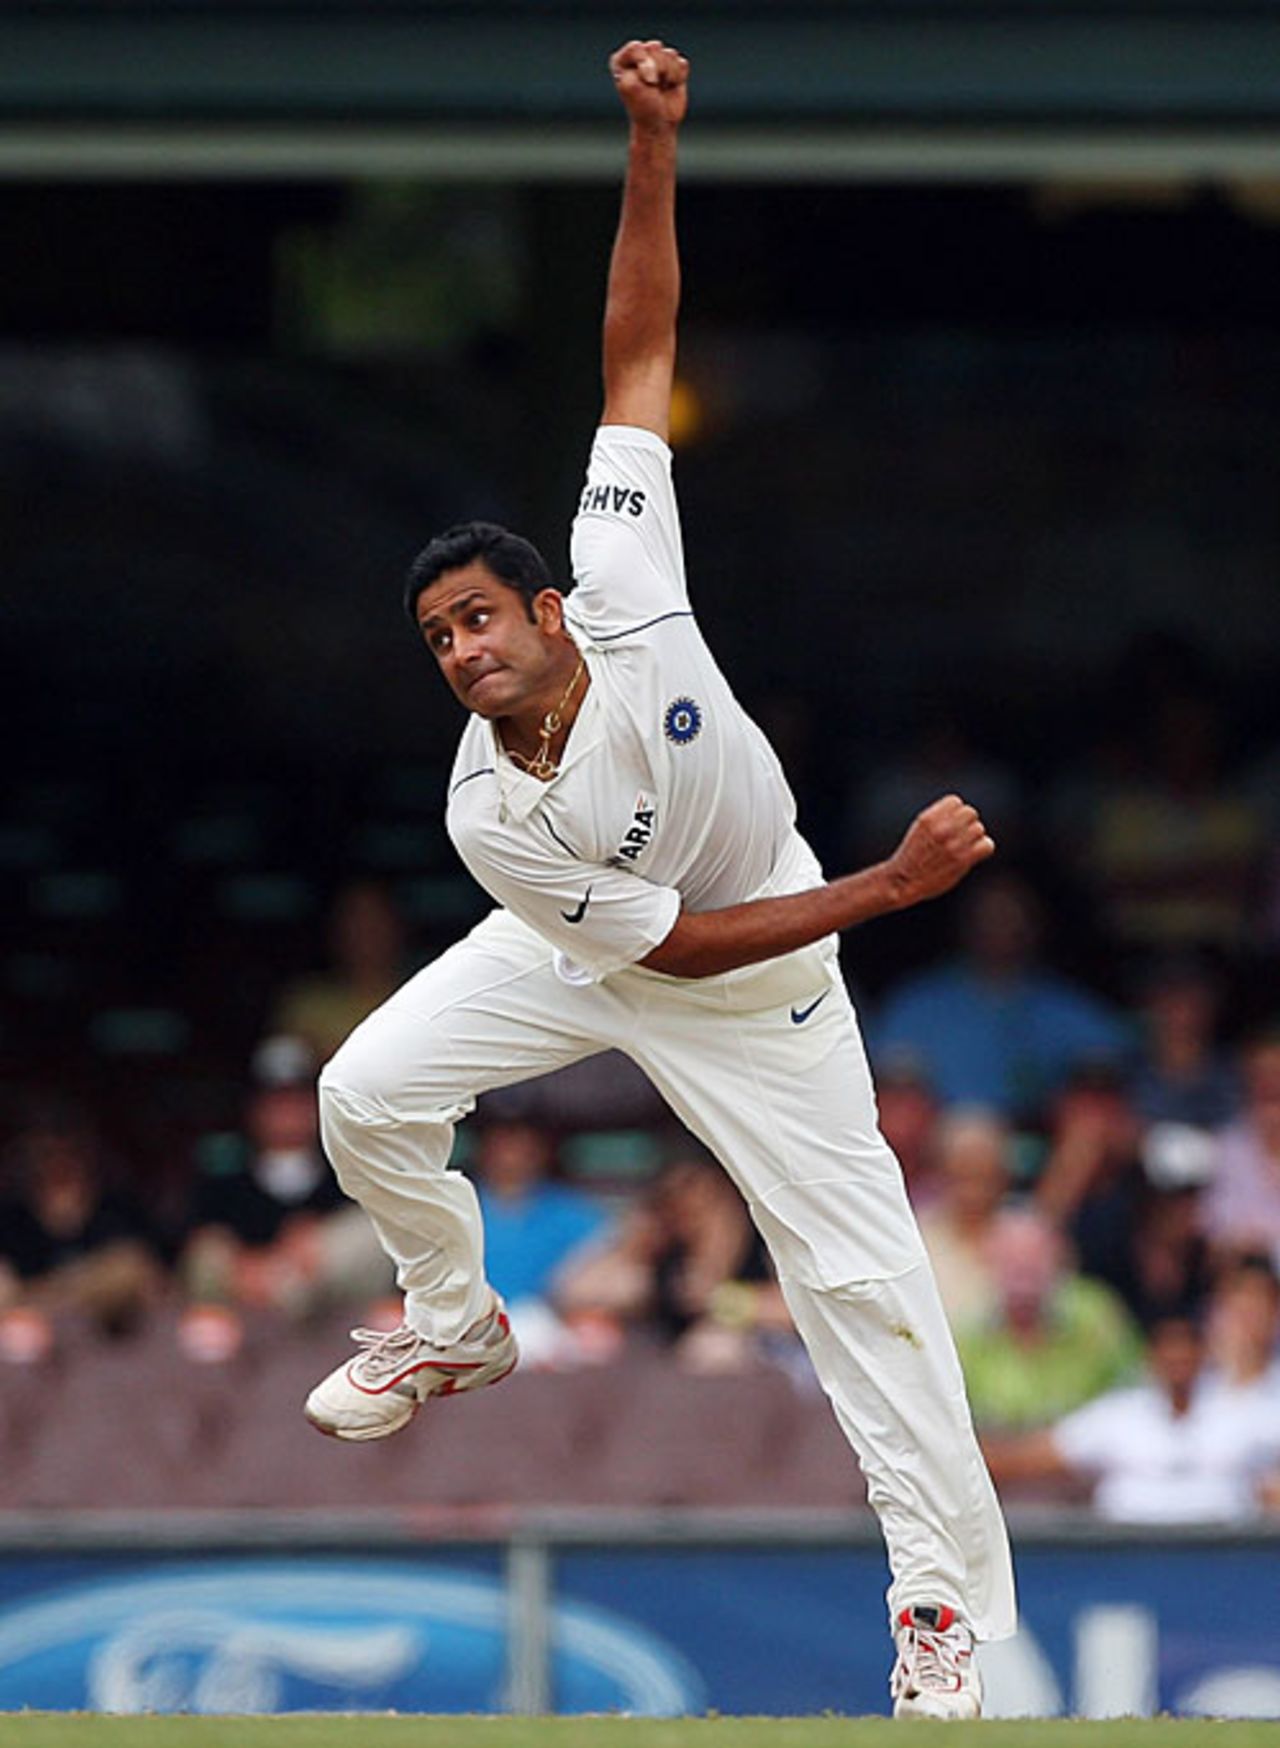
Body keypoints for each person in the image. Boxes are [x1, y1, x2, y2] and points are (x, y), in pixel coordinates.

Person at [303, 39, 1015, 1717]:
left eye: (480, 615)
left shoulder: (621, 566)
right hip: (643, 940)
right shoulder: (490, 812)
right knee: (364, 1089)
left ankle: (940, 1622)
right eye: (436, 637)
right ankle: (454, 1316)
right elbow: (664, 951)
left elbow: (640, 339)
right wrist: (895, 889)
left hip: (770, 992)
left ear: (547, 610)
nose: (463, 647)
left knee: (870, 1298)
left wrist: (649, 141)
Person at [984, 1312, 1280, 1524]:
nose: (1178, 1364)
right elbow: (1026, 1459)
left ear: (1202, 1356)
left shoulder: (1242, 1413)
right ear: (1151, 1357)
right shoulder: (1118, 1417)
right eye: (1169, 1355)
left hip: (1229, 1569)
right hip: (1127, 1566)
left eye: (1186, 1354)